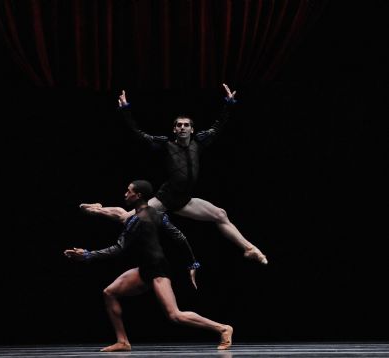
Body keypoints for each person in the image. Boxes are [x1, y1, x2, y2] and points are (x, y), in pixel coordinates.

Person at [81, 84, 267, 265]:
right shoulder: (166, 145)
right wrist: (126, 110)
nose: (183, 128)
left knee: (220, 214)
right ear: (174, 130)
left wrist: (228, 104)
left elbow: (218, 127)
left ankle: (249, 248)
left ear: (192, 129)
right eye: (179, 125)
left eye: (187, 125)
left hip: (185, 200)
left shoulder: (198, 143)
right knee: (125, 219)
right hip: (166, 198)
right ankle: (98, 209)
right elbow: (140, 135)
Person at [64, 180, 233, 352]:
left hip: (157, 270)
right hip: (146, 267)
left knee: (175, 315)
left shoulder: (136, 220)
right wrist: (192, 263)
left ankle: (223, 328)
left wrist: (88, 255)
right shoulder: (157, 214)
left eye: (128, 191)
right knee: (109, 293)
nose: (125, 194)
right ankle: (122, 341)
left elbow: (118, 248)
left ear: (138, 196)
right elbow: (180, 237)